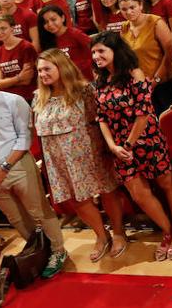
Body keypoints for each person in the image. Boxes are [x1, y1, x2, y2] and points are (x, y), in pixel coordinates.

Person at [0, 61, 67, 278]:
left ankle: (58, 251)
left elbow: (24, 139)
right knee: (16, 218)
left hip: (17, 166)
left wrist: (4, 168)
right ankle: (39, 250)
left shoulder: (14, 102)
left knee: (39, 211)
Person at [92, 31, 172, 261]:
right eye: (93, 52)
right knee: (138, 193)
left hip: (146, 138)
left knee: (165, 183)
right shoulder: (101, 80)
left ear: (115, 51)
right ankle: (167, 231)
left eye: (101, 51)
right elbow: (101, 117)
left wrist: (129, 143)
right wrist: (113, 145)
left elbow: (143, 113)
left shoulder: (135, 73)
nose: (96, 56)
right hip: (120, 147)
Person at [33, 50, 128, 262]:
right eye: (39, 70)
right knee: (77, 201)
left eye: (47, 68)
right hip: (58, 160)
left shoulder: (84, 91)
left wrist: (108, 148)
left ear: (61, 67)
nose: (42, 74)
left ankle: (119, 233)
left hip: (89, 153)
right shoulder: (38, 98)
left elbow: (102, 120)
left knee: (107, 191)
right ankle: (102, 236)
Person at [118, 0, 172, 115]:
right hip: (143, 85)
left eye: (132, 7)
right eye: (124, 9)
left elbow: (170, 54)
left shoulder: (155, 22)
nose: (129, 12)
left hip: (165, 82)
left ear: (140, 5)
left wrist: (156, 80)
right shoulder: (124, 28)